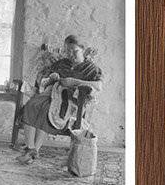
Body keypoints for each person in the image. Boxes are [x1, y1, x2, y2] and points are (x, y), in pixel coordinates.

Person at [17, 35, 102, 165]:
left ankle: (32, 151)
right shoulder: (62, 63)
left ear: (82, 49)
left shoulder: (90, 68)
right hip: (52, 93)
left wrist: (74, 81)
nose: (71, 55)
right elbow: (43, 79)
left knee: (46, 109)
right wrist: (52, 77)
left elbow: (99, 86)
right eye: (68, 51)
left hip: (72, 101)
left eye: (75, 51)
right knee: (31, 104)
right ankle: (31, 149)